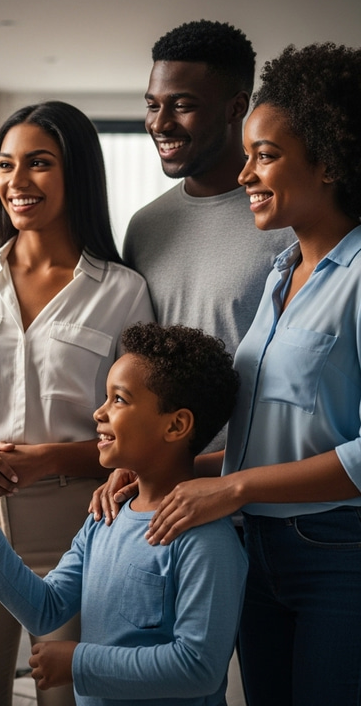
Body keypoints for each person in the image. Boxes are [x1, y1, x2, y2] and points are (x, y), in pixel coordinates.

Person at [0, 100, 154, 706]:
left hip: (81, 531)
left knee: (72, 698)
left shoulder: (123, 292)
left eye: (37, 164)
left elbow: (140, 437)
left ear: (77, 173)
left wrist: (46, 460)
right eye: (5, 164)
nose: (16, 182)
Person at [143, 42, 361, 705]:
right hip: (256, 550)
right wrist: (175, 472)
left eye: (265, 155)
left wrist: (233, 489)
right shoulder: (278, 275)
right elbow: (268, 441)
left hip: (337, 555)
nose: (245, 174)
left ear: (327, 161)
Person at [0, 323, 247, 706]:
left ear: (176, 425)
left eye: (119, 399)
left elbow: (199, 668)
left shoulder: (207, 540)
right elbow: (46, 609)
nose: (99, 412)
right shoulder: (107, 516)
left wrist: (79, 663)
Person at [121, 19, 294, 456]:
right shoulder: (145, 226)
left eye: (181, 105)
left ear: (236, 107)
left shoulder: (287, 222)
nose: (160, 123)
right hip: (164, 480)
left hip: (256, 483)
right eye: (152, 104)